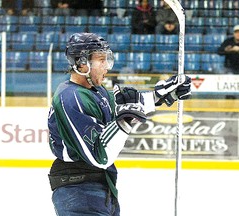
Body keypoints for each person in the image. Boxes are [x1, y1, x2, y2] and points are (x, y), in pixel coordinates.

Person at [47, 32, 191, 215]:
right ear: (82, 63)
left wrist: (162, 95)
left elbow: (123, 105)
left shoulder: (95, 91)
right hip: (78, 190)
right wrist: (125, 120)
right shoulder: (71, 98)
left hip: (98, 186)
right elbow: (99, 156)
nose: (107, 66)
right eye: (101, 60)